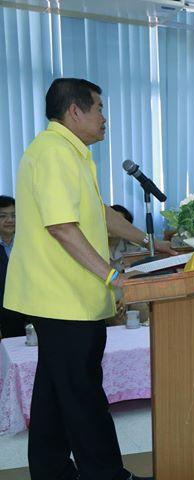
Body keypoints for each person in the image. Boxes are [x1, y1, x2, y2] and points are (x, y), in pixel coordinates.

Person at [4, 78, 176, 480]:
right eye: (99, 108)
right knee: (83, 394)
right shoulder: (53, 153)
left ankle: (51, 471)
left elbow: (100, 214)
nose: (105, 118)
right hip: (62, 298)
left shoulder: (71, 153)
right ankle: (107, 475)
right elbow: (62, 227)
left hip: (68, 297)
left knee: (55, 392)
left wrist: (151, 242)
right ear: (74, 111)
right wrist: (113, 275)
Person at [0, 195, 26, 338]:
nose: (10, 220)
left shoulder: (27, 242)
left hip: (30, 310)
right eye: (3, 216)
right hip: (4, 314)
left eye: (14, 215)